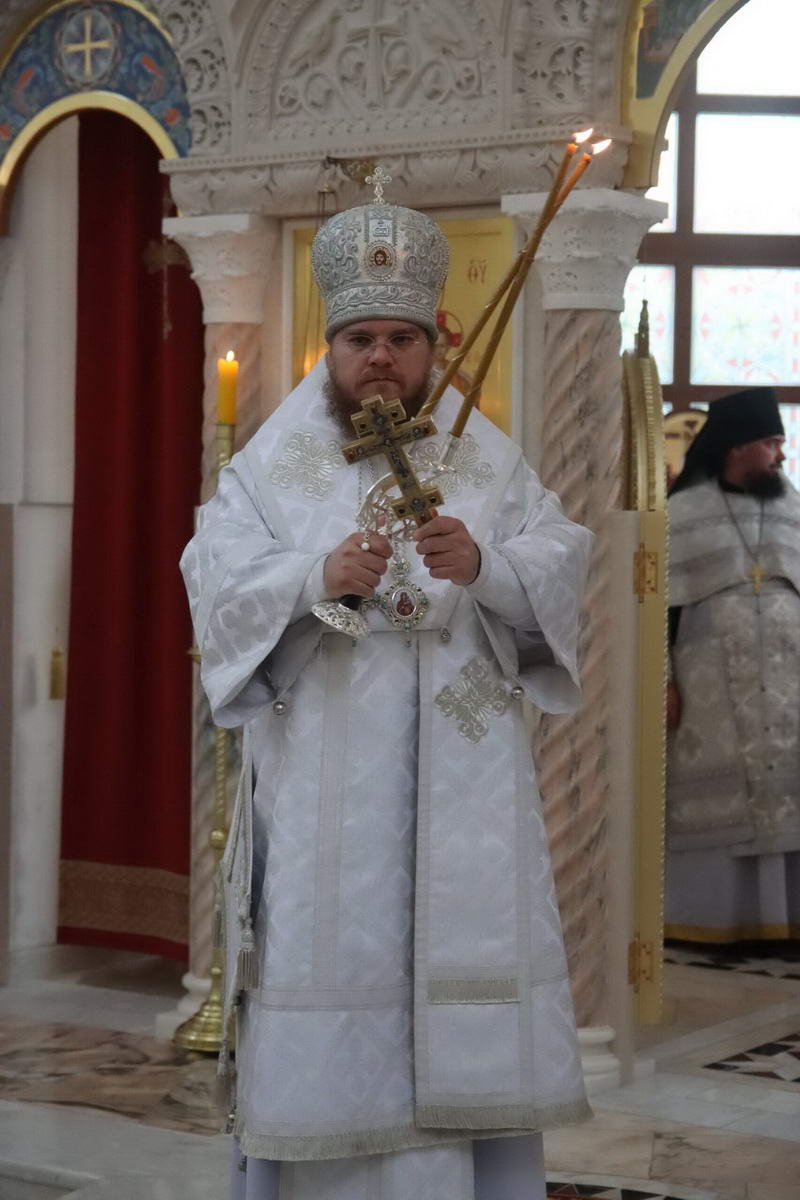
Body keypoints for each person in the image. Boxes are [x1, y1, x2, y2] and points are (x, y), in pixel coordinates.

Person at [180, 193, 593, 1200]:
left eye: (401, 340)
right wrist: (313, 576)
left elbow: (559, 557)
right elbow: (213, 577)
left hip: (467, 789)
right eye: (360, 338)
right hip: (328, 788)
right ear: (329, 346)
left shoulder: (482, 456)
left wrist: (487, 565)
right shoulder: (274, 466)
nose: (380, 359)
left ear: (430, 345)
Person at [666, 387, 800, 943]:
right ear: (738, 446)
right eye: (772, 442)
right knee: (719, 799)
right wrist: (662, 682)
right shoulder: (680, 514)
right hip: (709, 684)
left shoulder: (792, 508)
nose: (782, 455)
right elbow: (659, 610)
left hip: (789, 682)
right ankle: (716, 918)